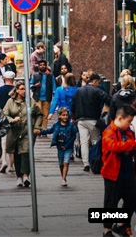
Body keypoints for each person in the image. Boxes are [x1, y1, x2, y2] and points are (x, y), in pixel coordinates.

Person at [100, 105, 136, 237]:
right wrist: (134, 144)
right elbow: (113, 146)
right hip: (112, 173)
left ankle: (121, 224)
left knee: (132, 200)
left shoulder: (128, 132)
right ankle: (107, 230)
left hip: (128, 173)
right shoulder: (108, 131)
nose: (130, 124)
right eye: (129, 121)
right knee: (110, 203)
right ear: (120, 118)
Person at [2, 82, 44, 187]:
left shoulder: (30, 102)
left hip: (27, 131)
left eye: (25, 89)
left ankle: (26, 175)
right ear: (16, 90)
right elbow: (4, 114)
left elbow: (39, 114)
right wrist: (12, 120)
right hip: (14, 131)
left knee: (26, 152)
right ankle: (19, 177)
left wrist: (37, 127)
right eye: (21, 89)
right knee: (16, 154)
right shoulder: (10, 102)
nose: (24, 91)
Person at [71, 73, 113, 172]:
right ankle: (94, 162)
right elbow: (107, 99)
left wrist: (73, 116)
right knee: (94, 142)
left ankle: (86, 164)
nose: (99, 84)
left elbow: (73, 104)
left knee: (84, 142)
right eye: (98, 82)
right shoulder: (96, 90)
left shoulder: (78, 91)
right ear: (95, 81)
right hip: (93, 121)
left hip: (81, 121)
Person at [39, 107, 78, 187]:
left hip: (68, 147)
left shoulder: (71, 126)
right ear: (59, 116)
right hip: (59, 147)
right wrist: (40, 131)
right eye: (63, 115)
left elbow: (74, 136)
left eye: (66, 115)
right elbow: (49, 131)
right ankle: (62, 175)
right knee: (61, 163)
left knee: (66, 162)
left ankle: (64, 178)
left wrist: (67, 146)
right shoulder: (56, 125)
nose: (65, 117)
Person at [30, 59, 56, 130]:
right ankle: (38, 127)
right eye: (40, 65)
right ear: (38, 66)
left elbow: (53, 87)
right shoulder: (35, 75)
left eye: (43, 65)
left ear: (46, 66)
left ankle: (44, 129)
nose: (42, 66)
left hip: (47, 97)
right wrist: (35, 85)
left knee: (45, 114)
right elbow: (30, 85)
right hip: (37, 97)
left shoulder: (50, 76)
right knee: (38, 113)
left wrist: (54, 95)